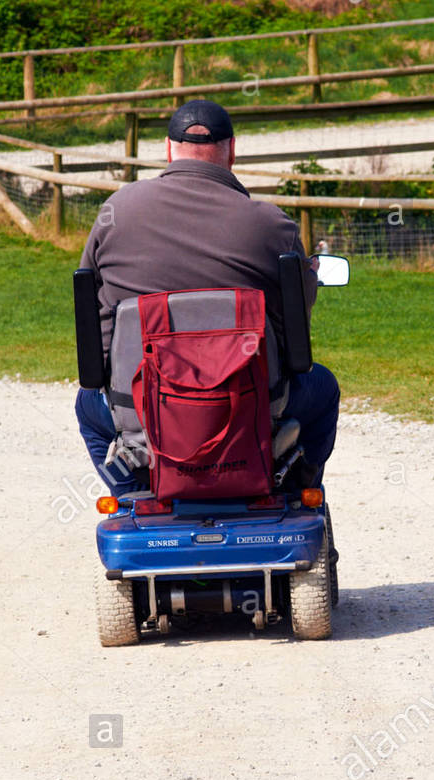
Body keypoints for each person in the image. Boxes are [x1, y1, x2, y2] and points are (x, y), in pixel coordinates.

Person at [75, 98, 340, 494]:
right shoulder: (271, 225)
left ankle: (131, 494)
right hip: (252, 410)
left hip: (143, 412)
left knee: (86, 405)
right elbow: (294, 332)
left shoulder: (116, 212)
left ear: (167, 149)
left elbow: (98, 321)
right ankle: (299, 491)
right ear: (232, 150)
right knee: (323, 388)